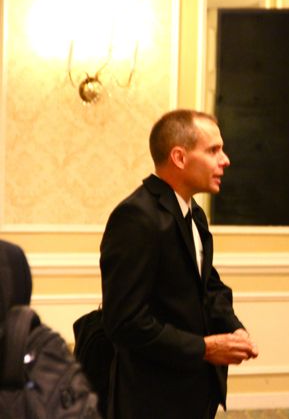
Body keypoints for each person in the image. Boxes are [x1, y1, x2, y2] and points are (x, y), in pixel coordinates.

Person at [100, 109, 258, 419]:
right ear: (179, 157)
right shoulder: (136, 217)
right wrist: (205, 348)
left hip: (193, 390)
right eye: (213, 150)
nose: (225, 160)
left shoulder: (193, 213)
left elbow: (208, 287)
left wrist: (233, 328)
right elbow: (124, 322)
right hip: (151, 398)